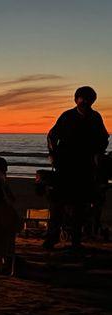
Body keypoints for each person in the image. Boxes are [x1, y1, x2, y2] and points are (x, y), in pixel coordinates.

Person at [44, 86, 109, 250]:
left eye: (89, 99)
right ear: (76, 99)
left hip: (85, 167)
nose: (86, 102)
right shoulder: (67, 116)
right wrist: (53, 154)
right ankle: (52, 237)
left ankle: (76, 239)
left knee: (80, 206)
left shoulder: (95, 117)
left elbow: (103, 139)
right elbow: (52, 135)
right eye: (83, 99)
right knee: (57, 203)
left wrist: (98, 154)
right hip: (65, 165)